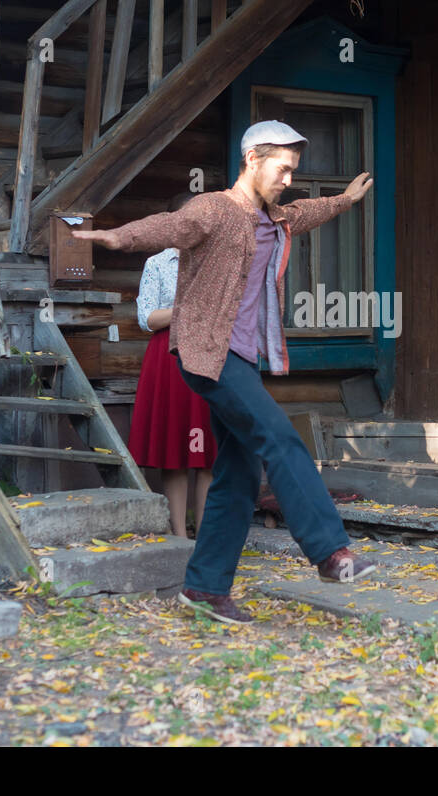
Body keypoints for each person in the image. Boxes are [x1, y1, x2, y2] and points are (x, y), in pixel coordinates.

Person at [71, 120, 377, 625]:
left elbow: (307, 212)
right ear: (252, 158)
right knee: (280, 438)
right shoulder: (213, 209)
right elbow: (168, 228)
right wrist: (113, 236)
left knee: (237, 475)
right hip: (206, 355)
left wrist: (344, 199)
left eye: (293, 171)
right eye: (282, 168)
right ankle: (329, 552)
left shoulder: (275, 218)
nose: (288, 179)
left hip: (240, 360)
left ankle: (205, 587)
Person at [130, 192, 216, 539]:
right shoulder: (157, 264)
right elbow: (146, 318)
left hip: (209, 355)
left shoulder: (216, 263)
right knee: (175, 450)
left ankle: (207, 533)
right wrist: (186, 309)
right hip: (168, 358)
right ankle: (180, 534)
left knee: (208, 452)